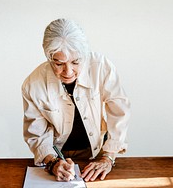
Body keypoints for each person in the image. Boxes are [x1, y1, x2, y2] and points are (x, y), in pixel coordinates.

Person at [22, 18, 130, 182]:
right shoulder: (33, 84)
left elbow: (119, 111)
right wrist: (52, 163)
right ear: (49, 57)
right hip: (57, 153)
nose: (68, 71)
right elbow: (37, 134)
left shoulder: (101, 66)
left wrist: (108, 158)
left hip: (98, 150)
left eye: (75, 62)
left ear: (84, 55)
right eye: (59, 63)